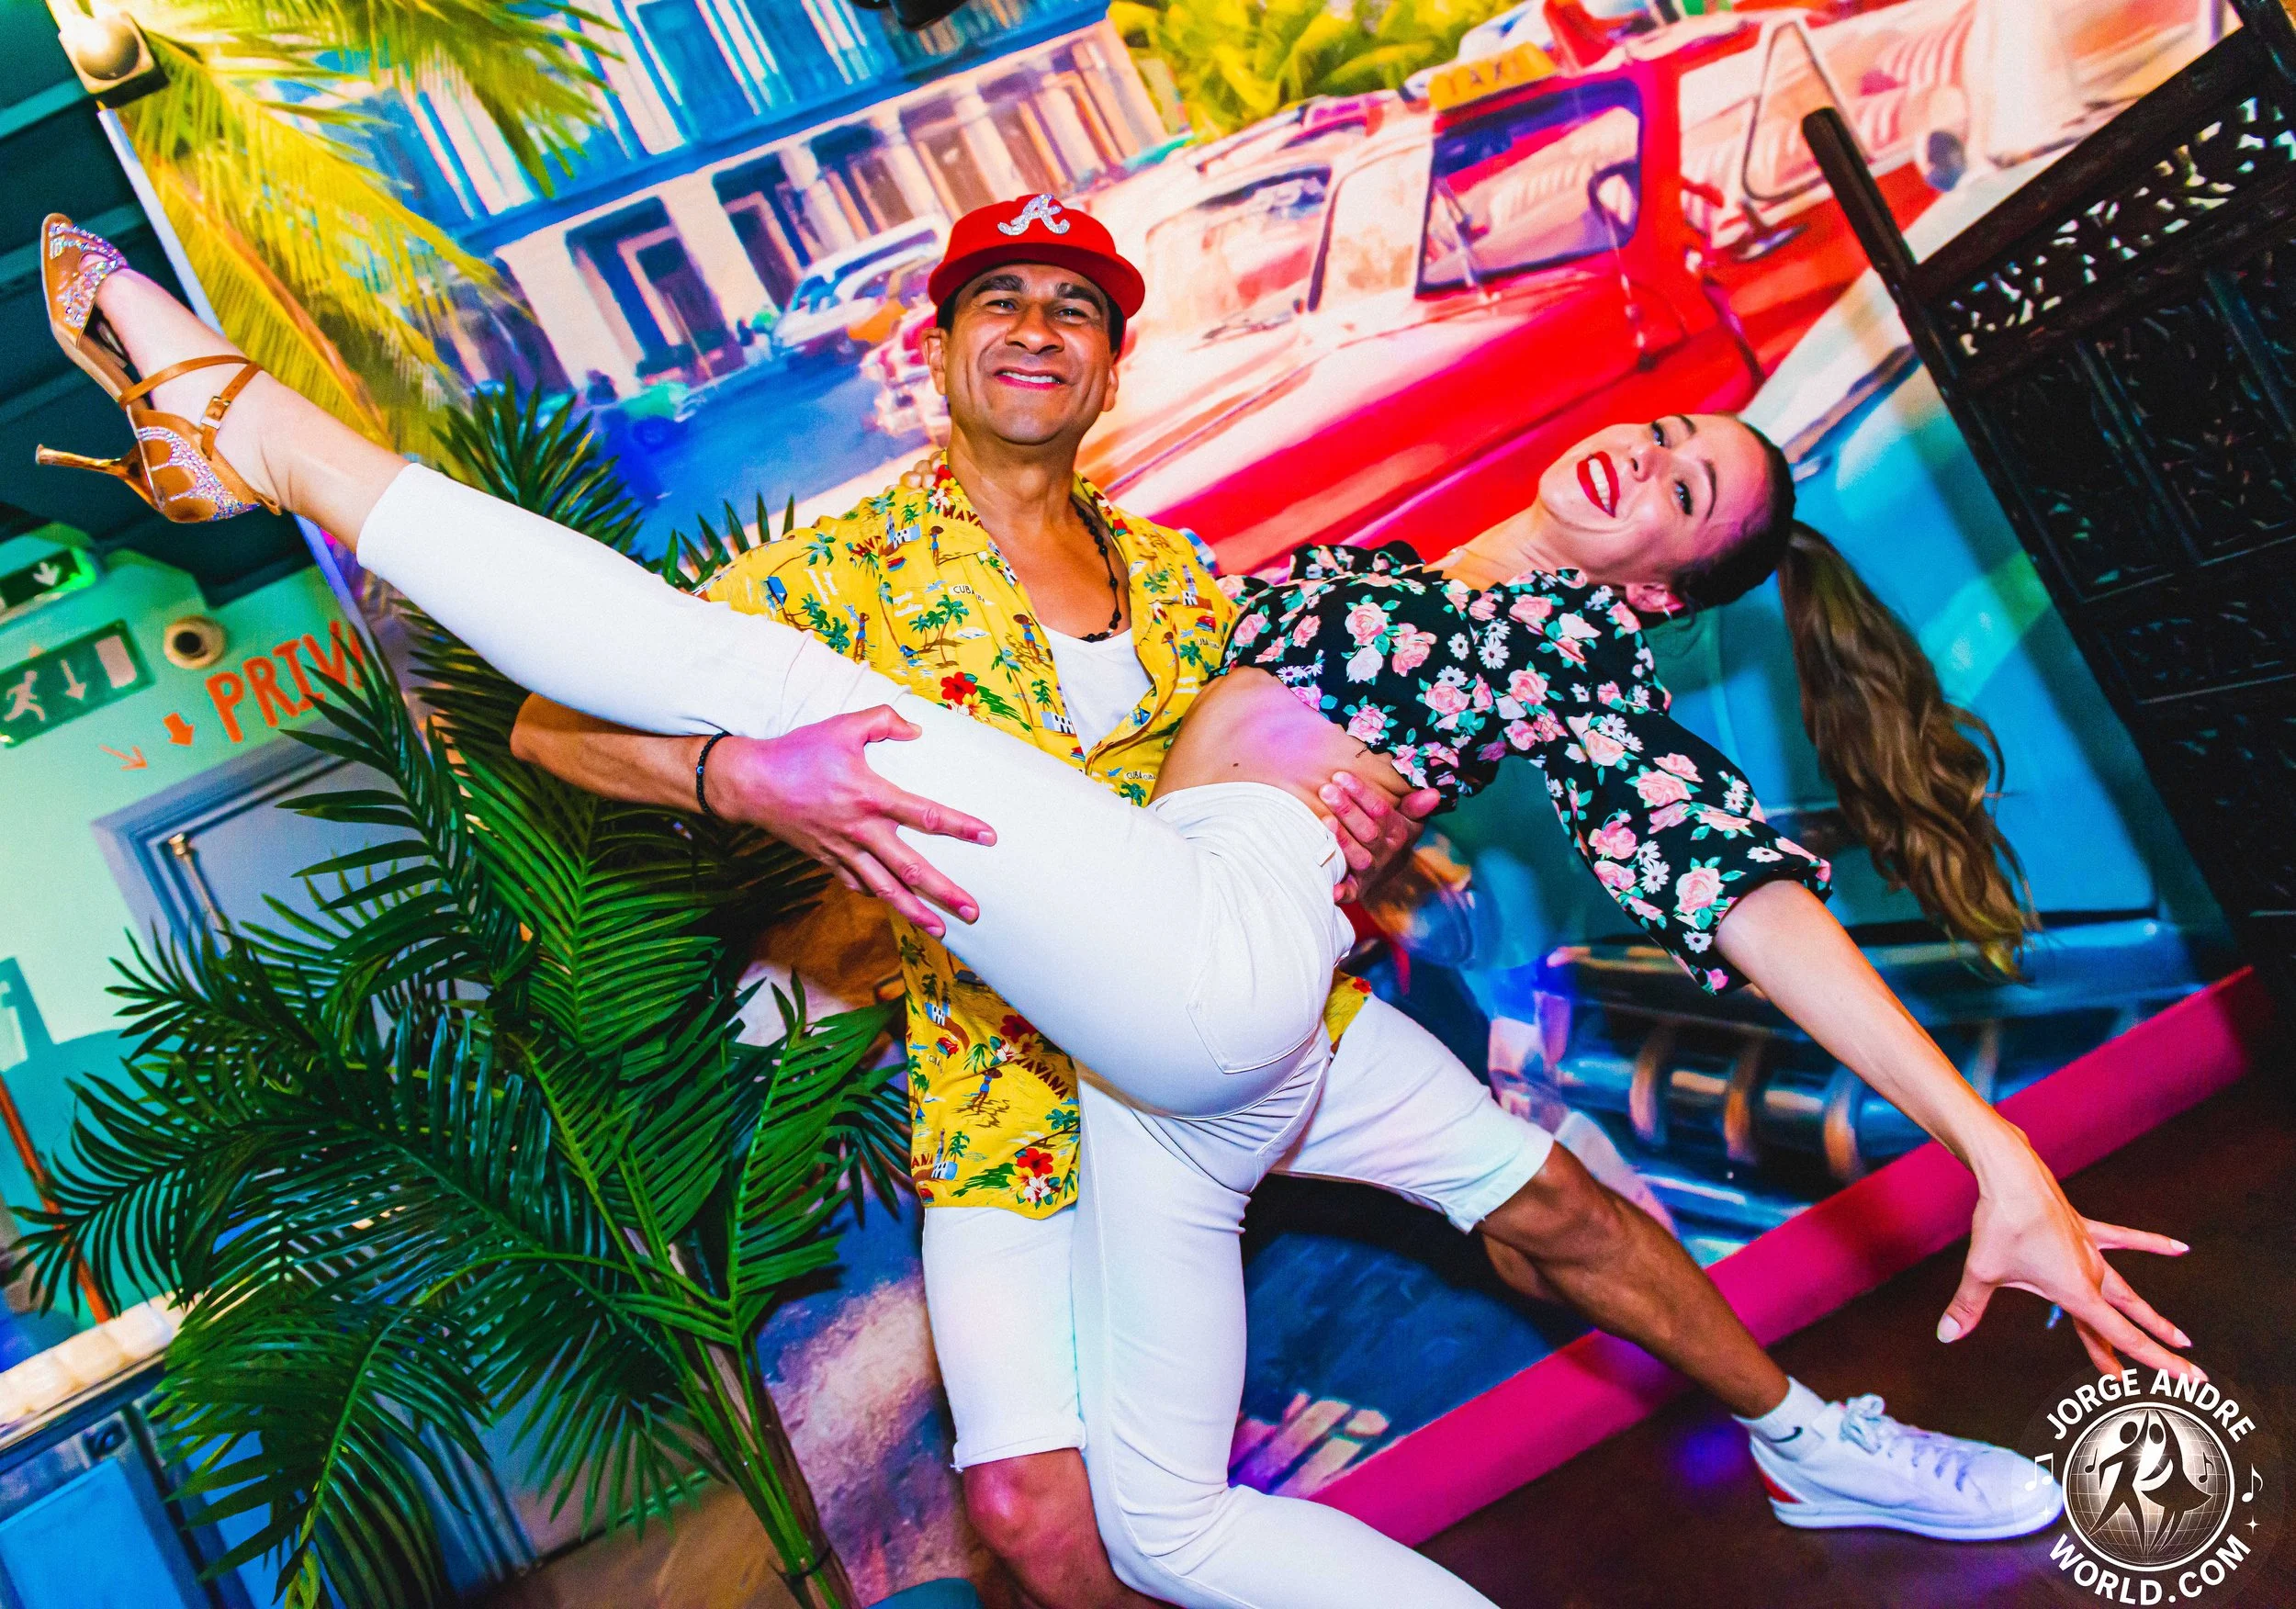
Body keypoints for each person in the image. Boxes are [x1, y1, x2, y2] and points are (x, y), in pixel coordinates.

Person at [38, 206, 2197, 1609]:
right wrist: (746, 792)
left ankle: (239, 417)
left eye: (1693, 486)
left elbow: (1734, 893)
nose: (1645, 452)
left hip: (1230, 972)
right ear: (948, 345)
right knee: (1139, 1523)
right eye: (1656, 428)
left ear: (1658, 588)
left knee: (1546, 1200)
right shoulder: (1331, 579)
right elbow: (563, 728)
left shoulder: (1525, 652)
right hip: (1131, 1056)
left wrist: (1991, 1140)